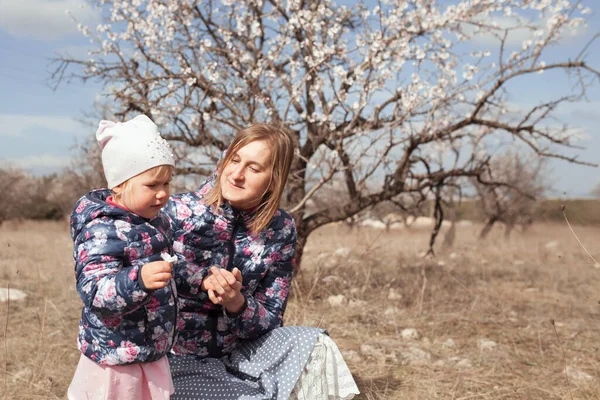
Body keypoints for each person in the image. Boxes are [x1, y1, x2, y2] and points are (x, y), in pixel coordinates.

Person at [165, 123, 360, 399]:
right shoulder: (175, 212)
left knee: (318, 346)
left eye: (254, 168)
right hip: (178, 358)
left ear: (274, 178)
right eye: (234, 160)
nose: (237, 174)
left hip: (242, 352)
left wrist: (237, 303)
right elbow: (148, 277)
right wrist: (201, 280)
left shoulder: (281, 229)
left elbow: (271, 317)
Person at [68, 115, 178, 400]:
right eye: (152, 185)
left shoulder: (157, 222)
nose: (163, 194)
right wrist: (138, 280)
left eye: (167, 183)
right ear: (119, 185)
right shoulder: (101, 230)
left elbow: (172, 264)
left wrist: (201, 278)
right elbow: (95, 291)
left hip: (152, 348)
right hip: (117, 355)